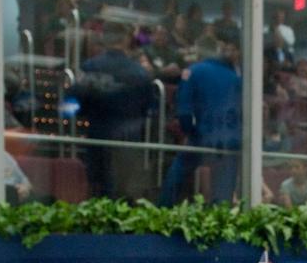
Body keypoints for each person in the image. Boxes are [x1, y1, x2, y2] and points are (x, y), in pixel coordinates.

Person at [69, 21, 155, 200]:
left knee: (97, 192)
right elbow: (150, 109)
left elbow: (72, 104)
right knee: (125, 195)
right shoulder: (139, 73)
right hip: (129, 140)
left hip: (97, 136)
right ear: (126, 40)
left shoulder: (89, 67)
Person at [159, 25, 241, 205]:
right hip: (230, 141)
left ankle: (162, 212)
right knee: (223, 195)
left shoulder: (193, 71)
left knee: (176, 176)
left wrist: (192, 132)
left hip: (203, 137)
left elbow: (184, 113)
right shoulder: (235, 77)